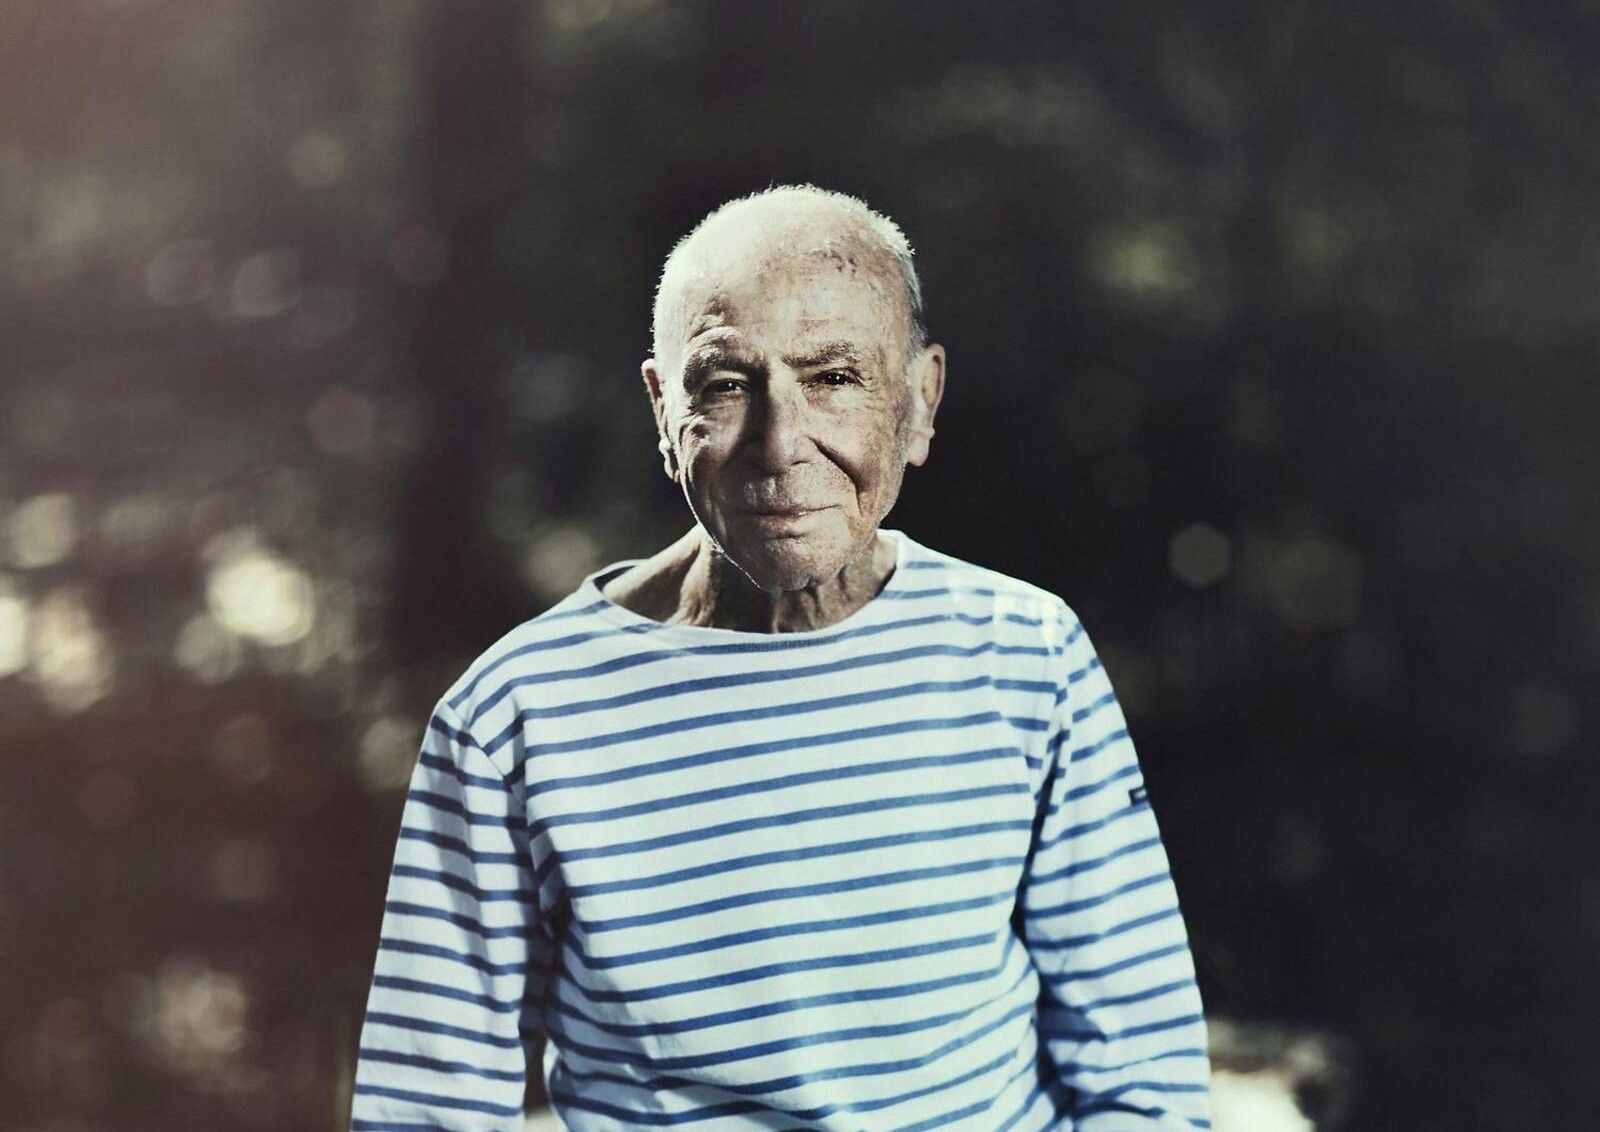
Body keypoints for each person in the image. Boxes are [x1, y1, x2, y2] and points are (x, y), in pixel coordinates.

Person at [350, 185, 1212, 1131]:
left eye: (833, 377)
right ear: (662, 409)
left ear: (919, 403)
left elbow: (1145, 1076)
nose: (780, 445)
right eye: (726, 384)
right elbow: (421, 1113)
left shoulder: (1026, 654)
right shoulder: (511, 719)